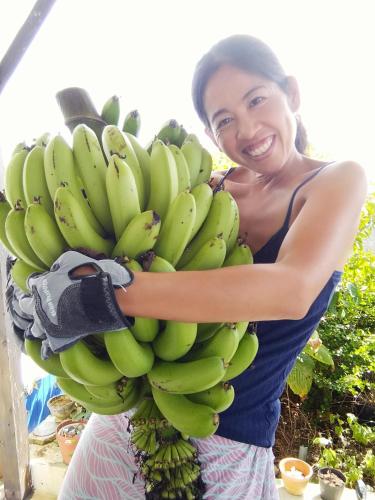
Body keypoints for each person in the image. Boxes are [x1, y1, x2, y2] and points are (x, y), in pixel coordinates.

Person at [14, 34, 367, 499]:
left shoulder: (337, 180)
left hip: (227, 436)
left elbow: (291, 289)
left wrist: (108, 295)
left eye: (257, 99)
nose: (248, 129)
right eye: (225, 120)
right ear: (210, 135)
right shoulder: (207, 189)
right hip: (123, 421)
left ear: (292, 93)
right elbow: (120, 251)